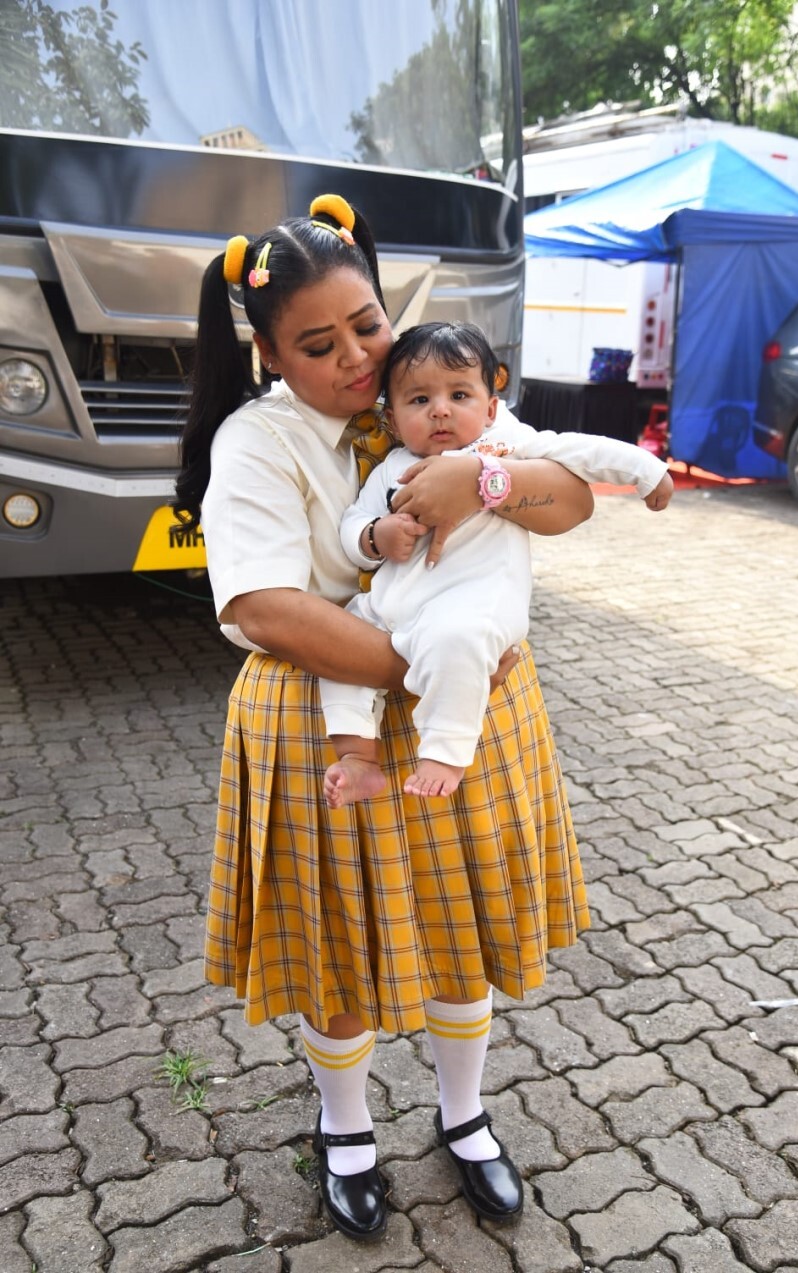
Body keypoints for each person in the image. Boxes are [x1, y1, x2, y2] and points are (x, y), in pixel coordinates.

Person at [173, 192, 596, 1243]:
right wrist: (437, 664)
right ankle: (346, 1127)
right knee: (340, 947)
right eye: (316, 344)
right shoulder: (258, 445)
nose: (356, 356)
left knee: (463, 933)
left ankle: (462, 1114)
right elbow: (260, 605)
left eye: (365, 322)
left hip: (461, 707)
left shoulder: (432, 392)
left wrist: (486, 474)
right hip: (336, 714)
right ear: (269, 354)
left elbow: (574, 499)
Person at [321, 321, 673, 804]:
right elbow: (353, 522)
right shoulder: (391, 466)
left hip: (471, 604)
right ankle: (359, 757)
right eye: (419, 400)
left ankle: (445, 751)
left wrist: (647, 471)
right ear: (394, 418)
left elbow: (578, 449)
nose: (440, 409)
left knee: (458, 642)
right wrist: (375, 536)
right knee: (338, 649)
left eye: (459, 395)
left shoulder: (503, 446)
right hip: (392, 608)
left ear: (490, 408)